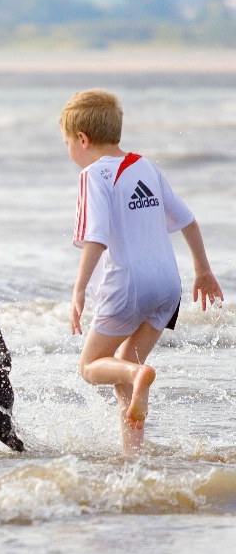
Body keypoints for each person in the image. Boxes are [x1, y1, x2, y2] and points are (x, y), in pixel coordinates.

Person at [60, 88, 223, 456]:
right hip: (168, 286)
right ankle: (132, 455)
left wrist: (79, 289)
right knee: (126, 371)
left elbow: (96, 238)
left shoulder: (92, 175)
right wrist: (203, 271)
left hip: (127, 286)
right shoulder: (145, 166)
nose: (69, 150)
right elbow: (188, 220)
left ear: (82, 140)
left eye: (68, 142)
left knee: (91, 367)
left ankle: (137, 377)